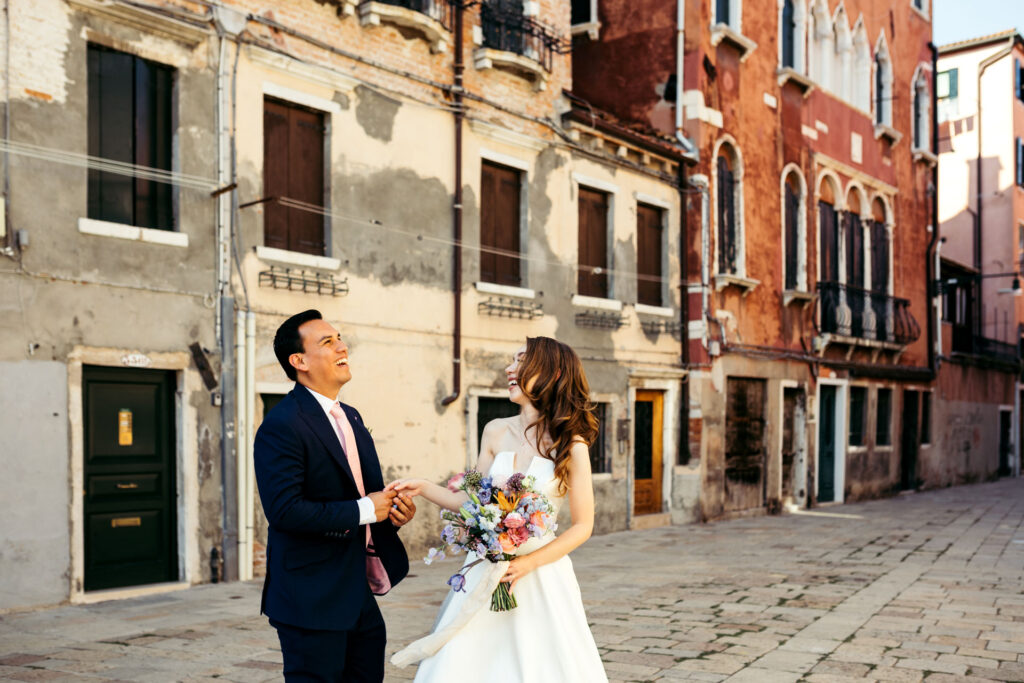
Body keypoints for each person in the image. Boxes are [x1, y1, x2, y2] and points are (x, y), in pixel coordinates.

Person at [388, 336, 608, 682]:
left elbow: (583, 526)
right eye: (512, 361)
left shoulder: (572, 445)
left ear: (549, 372)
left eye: (521, 361)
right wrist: (425, 488)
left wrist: (525, 564)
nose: (509, 368)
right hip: (484, 568)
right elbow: (473, 500)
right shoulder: (493, 431)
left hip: (540, 575)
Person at [254, 309, 417, 682]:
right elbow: (284, 511)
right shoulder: (282, 424)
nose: (342, 346)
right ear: (299, 361)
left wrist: (392, 512)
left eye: (339, 338)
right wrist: (365, 509)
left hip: (356, 591)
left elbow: (364, 494)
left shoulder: (353, 417)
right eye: (327, 342)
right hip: (309, 597)